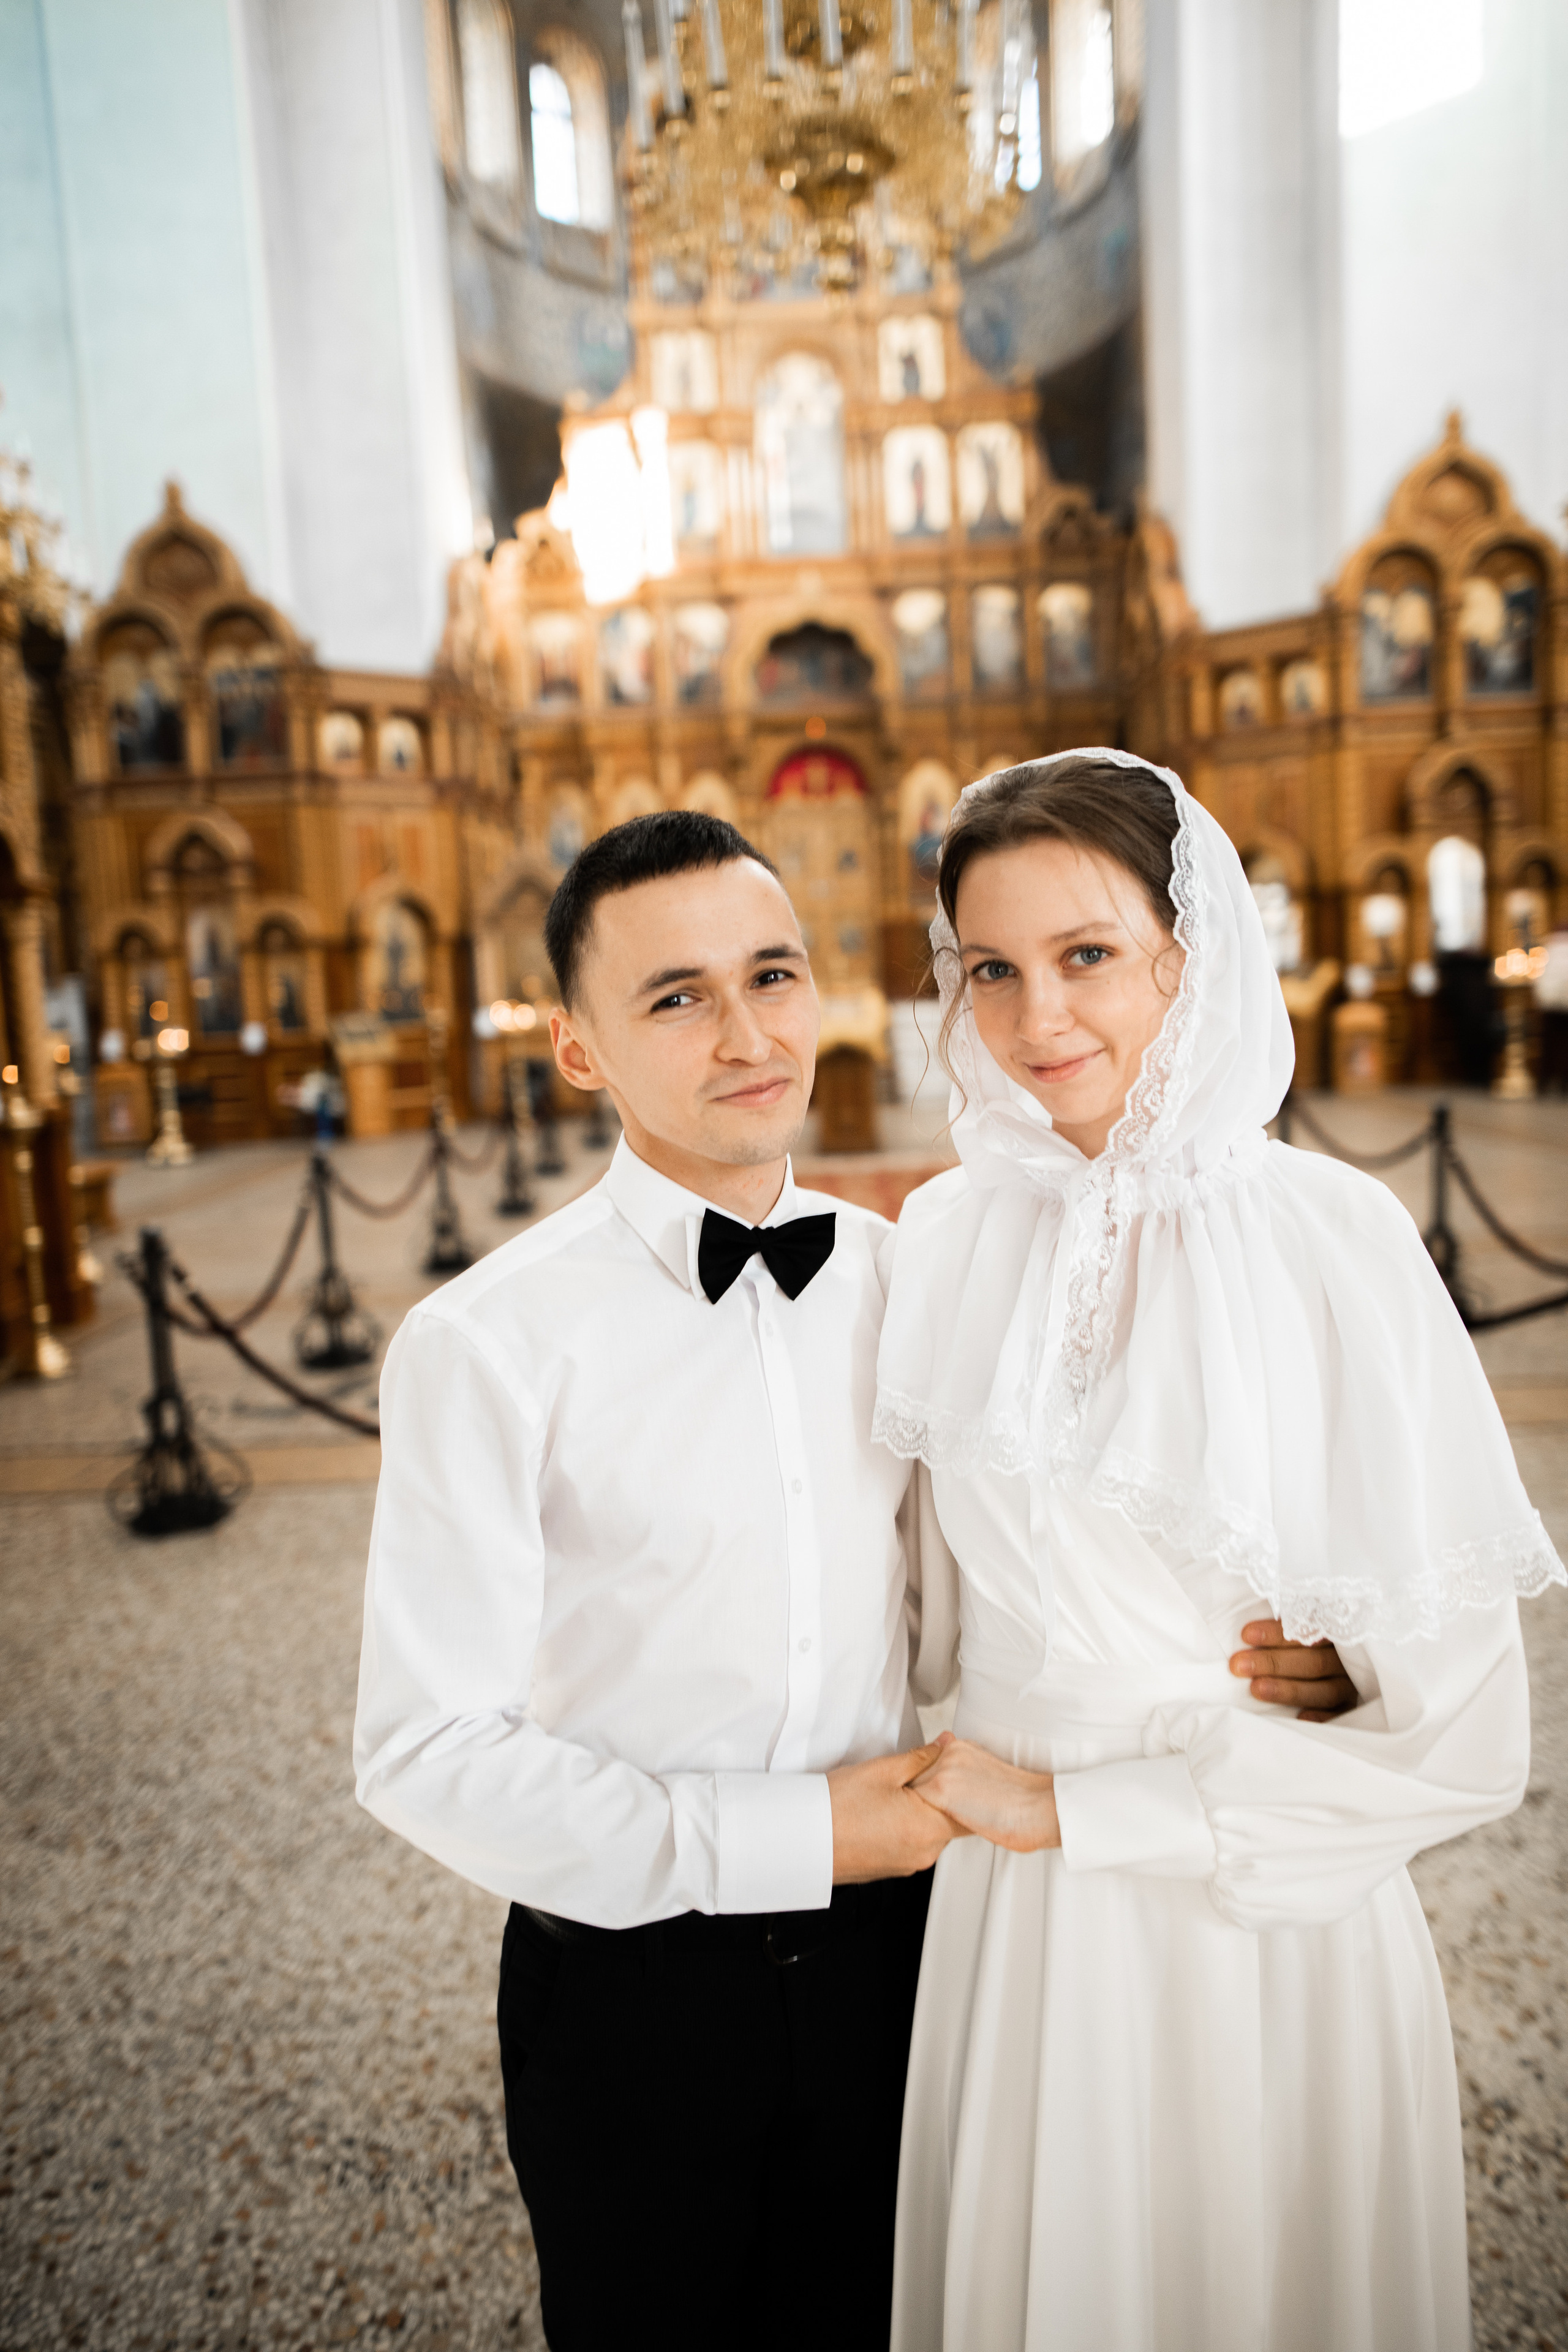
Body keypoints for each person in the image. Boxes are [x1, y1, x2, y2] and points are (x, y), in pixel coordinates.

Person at [353, 810, 1353, 2351]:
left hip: (905, 1963)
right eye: (675, 997)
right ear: (576, 1048)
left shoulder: (909, 1274)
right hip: (632, 1991)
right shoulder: (485, 1345)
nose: (747, 1035)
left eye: (772, 975)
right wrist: (800, 1832)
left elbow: (1023, 1560)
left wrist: (1282, 1640)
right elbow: (424, 1752)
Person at [874, 751, 1563, 2352]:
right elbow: (902, 1619)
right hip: (1014, 1925)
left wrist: (1080, 1805)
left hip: (1247, 1911)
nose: (1037, 1016)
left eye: (1087, 954)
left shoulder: (1333, 1238)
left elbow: (1467, 1741)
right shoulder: (944, 1237)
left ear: (1190, 957)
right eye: (991, 968)